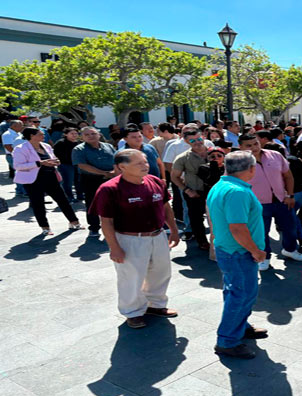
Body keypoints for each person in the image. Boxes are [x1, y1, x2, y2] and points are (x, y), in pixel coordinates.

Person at [90, 149, 180, 329]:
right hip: (130, 239)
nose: (145, 165)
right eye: (138, 163)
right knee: (131, 277)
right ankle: (132, 312)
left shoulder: (155, 181)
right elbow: (106, 222)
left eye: (145, 162)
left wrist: (174, 230)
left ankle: (155, 305)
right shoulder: (109, 189)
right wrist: (114, 247)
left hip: (157, 235)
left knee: (161, 273)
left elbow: (165, 206)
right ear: (122, 167)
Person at [206, 151, 268, 358]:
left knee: (234, 292)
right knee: (241, 294)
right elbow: (238, 228)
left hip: (230, 250)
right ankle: (228, 340)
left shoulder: (221, 185)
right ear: (251, 169)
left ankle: (239, 326)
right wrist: (256, 251)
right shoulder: (237, 192)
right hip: (238, 252)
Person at [238, 134, 302, 270]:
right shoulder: (238, 162)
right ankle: (264, 258)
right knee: (261, 232)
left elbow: (288, 176)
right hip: (257, 203)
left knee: (290, 227)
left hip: (282, 199)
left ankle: (290, 249)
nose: (254, 147)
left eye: (255, 143)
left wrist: (290, 195)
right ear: (240, 147)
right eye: (249, 145)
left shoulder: (275, 155)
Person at [13, 127, 83, 235]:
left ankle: (74, 221)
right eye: (41, 134)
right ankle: (45, 227)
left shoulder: (46, 146)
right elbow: (18, 166)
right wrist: (39, 163)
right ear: (32, 136)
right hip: (33, 180)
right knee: (38, 204)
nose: (44, 136)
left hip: (51, 177)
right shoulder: (20, 148)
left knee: (63, 200)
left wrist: (56, 162)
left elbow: (54, 158)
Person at [171, 128, 212, 250]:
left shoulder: (215, 153)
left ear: (203, 137)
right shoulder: (182, 158)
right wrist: (187, 190)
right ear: (186, 141)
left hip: (215, 191)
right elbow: (174, 177)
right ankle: (202, 242)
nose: (197, 142)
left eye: (199, 139)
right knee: (196, 219)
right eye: (193, 140)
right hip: (195, 193)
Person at [72, 127, 117, 237]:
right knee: (93, 204)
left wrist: (114, 171)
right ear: (82, 137)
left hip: (111, 178)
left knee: (114, 203)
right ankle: (94, 227)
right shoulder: (79, 149)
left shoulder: (108, 146)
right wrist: (103, 173)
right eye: (87, 135)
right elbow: (82, 165)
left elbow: (117, 159)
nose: (90, 136)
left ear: (99, 134)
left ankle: (115, 226)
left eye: (93, 133)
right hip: (91, 180)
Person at [53, 127, 83, 202]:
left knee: (79, 181)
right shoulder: (60, 143)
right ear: (66, 134)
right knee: (67, 182)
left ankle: (80, 195)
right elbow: (55, 153)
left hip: (77, 164)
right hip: (65, 164)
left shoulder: (79, 143)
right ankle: (69, 197)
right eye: (72, 133)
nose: (74, 135)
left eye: (76, 133)